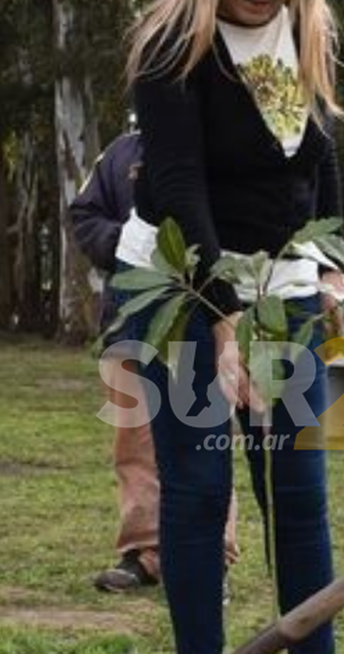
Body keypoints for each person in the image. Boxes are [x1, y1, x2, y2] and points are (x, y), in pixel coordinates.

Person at [111, 0, 344, 654]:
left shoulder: (302, 41)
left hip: (284, 291)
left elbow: (316, 168)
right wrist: (225, 319)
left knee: (296, 493)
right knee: (200, 488)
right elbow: (179, 186)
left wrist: (336, 267)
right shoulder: (172, 49)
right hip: (185, 285)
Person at [69, 129, 238, 592]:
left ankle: (211, 556)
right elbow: (84, 213)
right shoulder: (120, 152)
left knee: (203, 440)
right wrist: (131, 240)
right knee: (135, 440)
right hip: (129, 320)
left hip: (200, 316)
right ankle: (144, 552)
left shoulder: (218, 145)